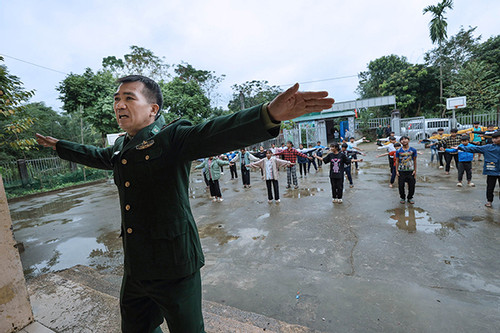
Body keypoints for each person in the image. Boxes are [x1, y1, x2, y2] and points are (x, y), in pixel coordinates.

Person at [36, 75, 334, 333]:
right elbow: (97, 156)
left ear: (153, 109)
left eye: (128, 98)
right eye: (116, 99)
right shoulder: (121, 146)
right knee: (135, 327)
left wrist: (267, 114)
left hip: (174, 264)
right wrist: (61, 146)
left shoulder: (172, 138)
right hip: (136, 265)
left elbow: (215, 132)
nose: (119, 105)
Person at [457, 132, 500, 208]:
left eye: (496, 138)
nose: (494, 140)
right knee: (490, 187)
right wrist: (460, 148)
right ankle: (489, 201)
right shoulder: (488, 147)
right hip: (491, 170)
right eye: (493, 138)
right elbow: (475, 148)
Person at [395, 136, 417, 204]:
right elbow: (397, 161)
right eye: (402, 140)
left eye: (405, 139)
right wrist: (396, 171)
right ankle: (402, 197)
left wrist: (415, 170)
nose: (404, 141)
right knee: (401, 185)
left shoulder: (413, 150)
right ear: (400, 142)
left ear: (408, 140)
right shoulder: (398, 151)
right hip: (401, 170)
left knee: (412, 185)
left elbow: (415, 160)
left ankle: (410, 197)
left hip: (410, 170)